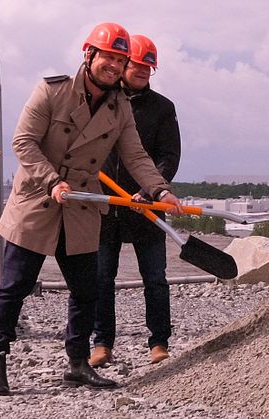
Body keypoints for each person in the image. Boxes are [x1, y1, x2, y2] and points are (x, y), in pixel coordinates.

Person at [0, 22, 183, 396]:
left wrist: (159, 188)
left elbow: (135, 154)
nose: (114, 65)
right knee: (14, 287)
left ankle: (76, 364)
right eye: (108, 56)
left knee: (87, 289)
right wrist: (51, 180)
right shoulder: (52, 90)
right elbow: (23, 142)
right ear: (89, 54)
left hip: (80, 206)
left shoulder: (119, 105)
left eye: (120, 59)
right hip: (39, 200)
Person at [89, 34, 181, 368]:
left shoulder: (162, 108)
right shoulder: (103, 101)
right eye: (139, 65)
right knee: (101, 276)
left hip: (147, 207)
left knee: (155, 277)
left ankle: (158, 342)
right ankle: (102, 343)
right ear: (124, 64)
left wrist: (150, 191)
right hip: (105, 204)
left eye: (149, 67)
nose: (144, 71)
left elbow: (169, 157)